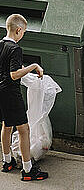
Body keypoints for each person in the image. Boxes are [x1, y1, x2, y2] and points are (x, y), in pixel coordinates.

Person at [0, 14, 48, 181]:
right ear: (18, 30)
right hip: (11, 93)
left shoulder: (1, 45)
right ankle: (28, 169)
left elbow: (6, 66)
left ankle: (7, 161)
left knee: (6, 126)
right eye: (24, 32)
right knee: (23, 129)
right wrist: (33, 66)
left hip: (1, 91)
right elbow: (14, 74)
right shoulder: (15, 49)